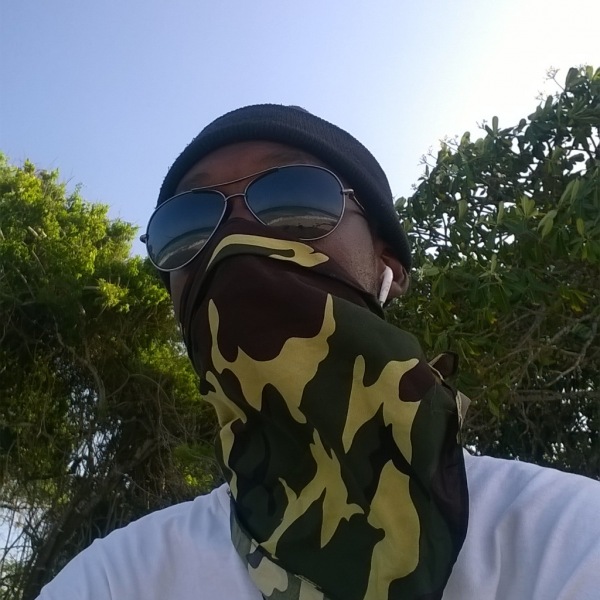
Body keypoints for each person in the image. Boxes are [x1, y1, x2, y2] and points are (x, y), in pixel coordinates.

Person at [38, 105, 600, 600]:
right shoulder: (113, 582)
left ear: (389, 264)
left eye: (294, 196)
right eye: (186, 227)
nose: (235, 238)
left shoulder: (566, 538)